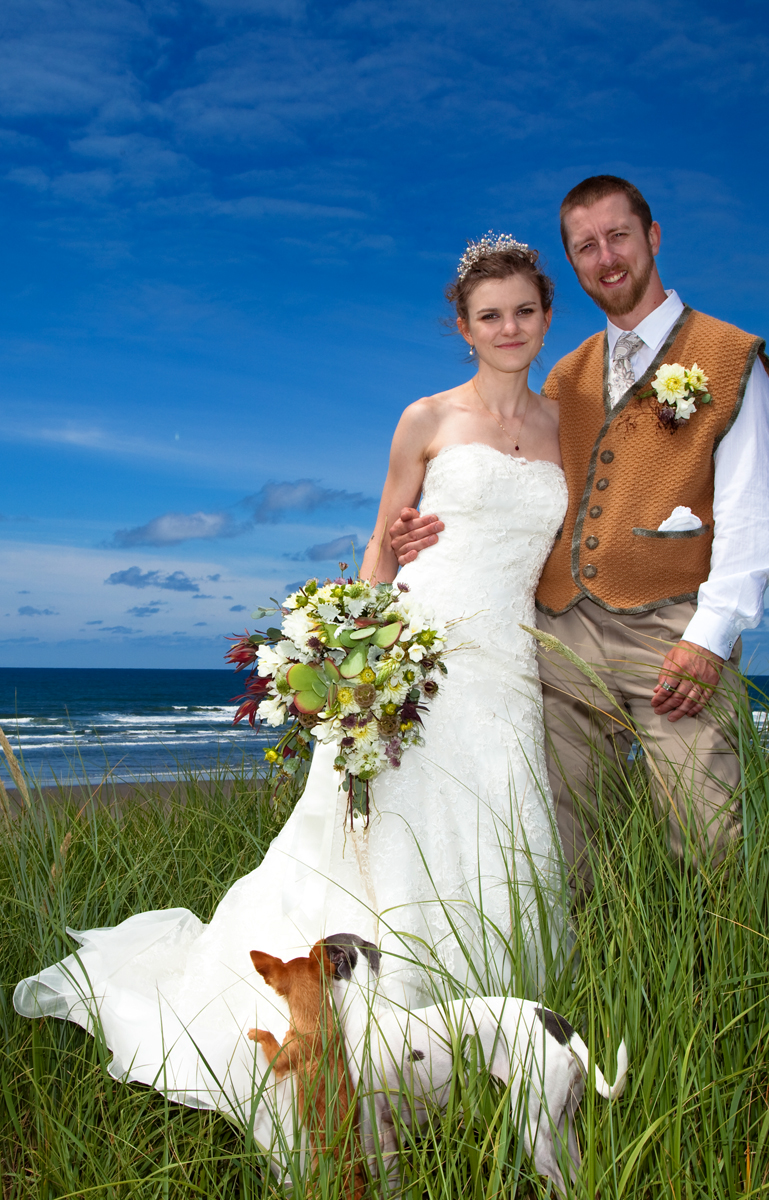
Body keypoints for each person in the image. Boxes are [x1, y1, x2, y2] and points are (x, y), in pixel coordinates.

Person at [14, 235, 571, 1155]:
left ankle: (479, 1041)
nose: (508, 328)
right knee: (388, 838)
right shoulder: (427, 418)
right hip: (417, 663)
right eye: (489, 315)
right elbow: (381, 548)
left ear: (546, 317)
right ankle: (364, 1040)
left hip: (508, 667)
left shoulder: (562, 427)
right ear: (463, 326)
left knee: (499, 825)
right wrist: (357, 665)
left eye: (523, 311)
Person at [391, 176, 769, 895]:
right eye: (585, 246)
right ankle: (589, 959)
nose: (606, 257)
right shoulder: (564, 378)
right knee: (562, 836)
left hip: (674, 629)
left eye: (618, 236)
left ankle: (719, 954)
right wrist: (427, 533)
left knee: (710, 830)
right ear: (572, 263)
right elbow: (528, 491)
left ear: (652, 237)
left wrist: (710, 636)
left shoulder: (730, 357)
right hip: (561, 630)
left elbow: (751, 516)